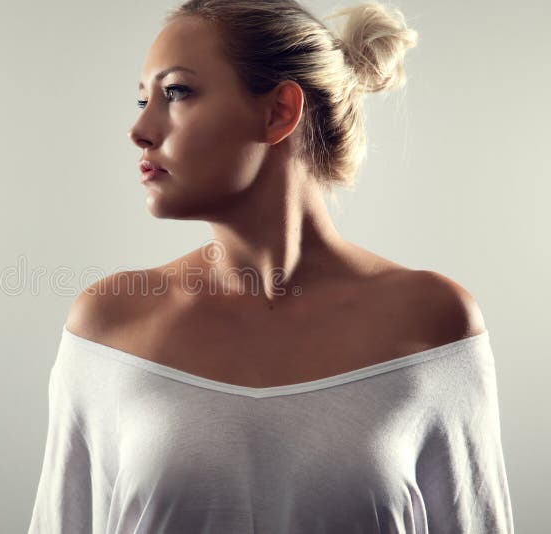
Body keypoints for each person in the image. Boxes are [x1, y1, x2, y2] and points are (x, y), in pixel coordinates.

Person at [28, 1, 515, 532]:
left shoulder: (432, 327)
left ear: (279, 111)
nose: (139, 129)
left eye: (176, 93)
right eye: (143, 98)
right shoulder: (108, 330)